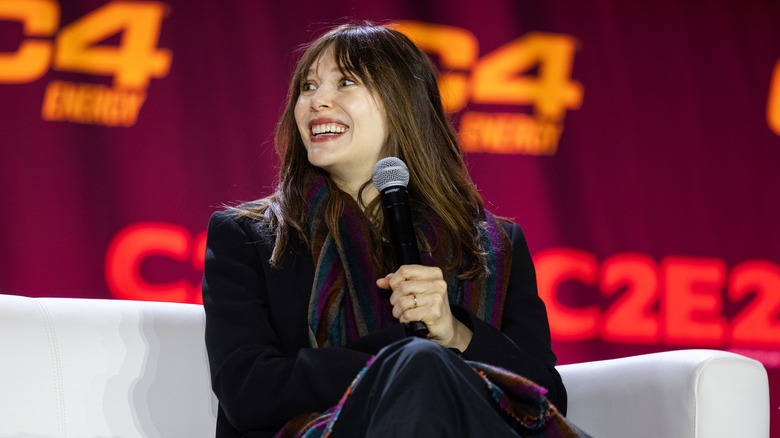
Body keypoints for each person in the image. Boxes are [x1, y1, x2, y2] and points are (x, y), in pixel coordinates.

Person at [203, 22, 587, 438]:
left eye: (345, 82)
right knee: (422, 368)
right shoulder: (250, 237)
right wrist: (403, 358)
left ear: (401, 103)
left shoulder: (494, 247)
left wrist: (455, 332)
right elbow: (248, 392)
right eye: (308, 87)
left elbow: (545, 402)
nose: (316, 102)